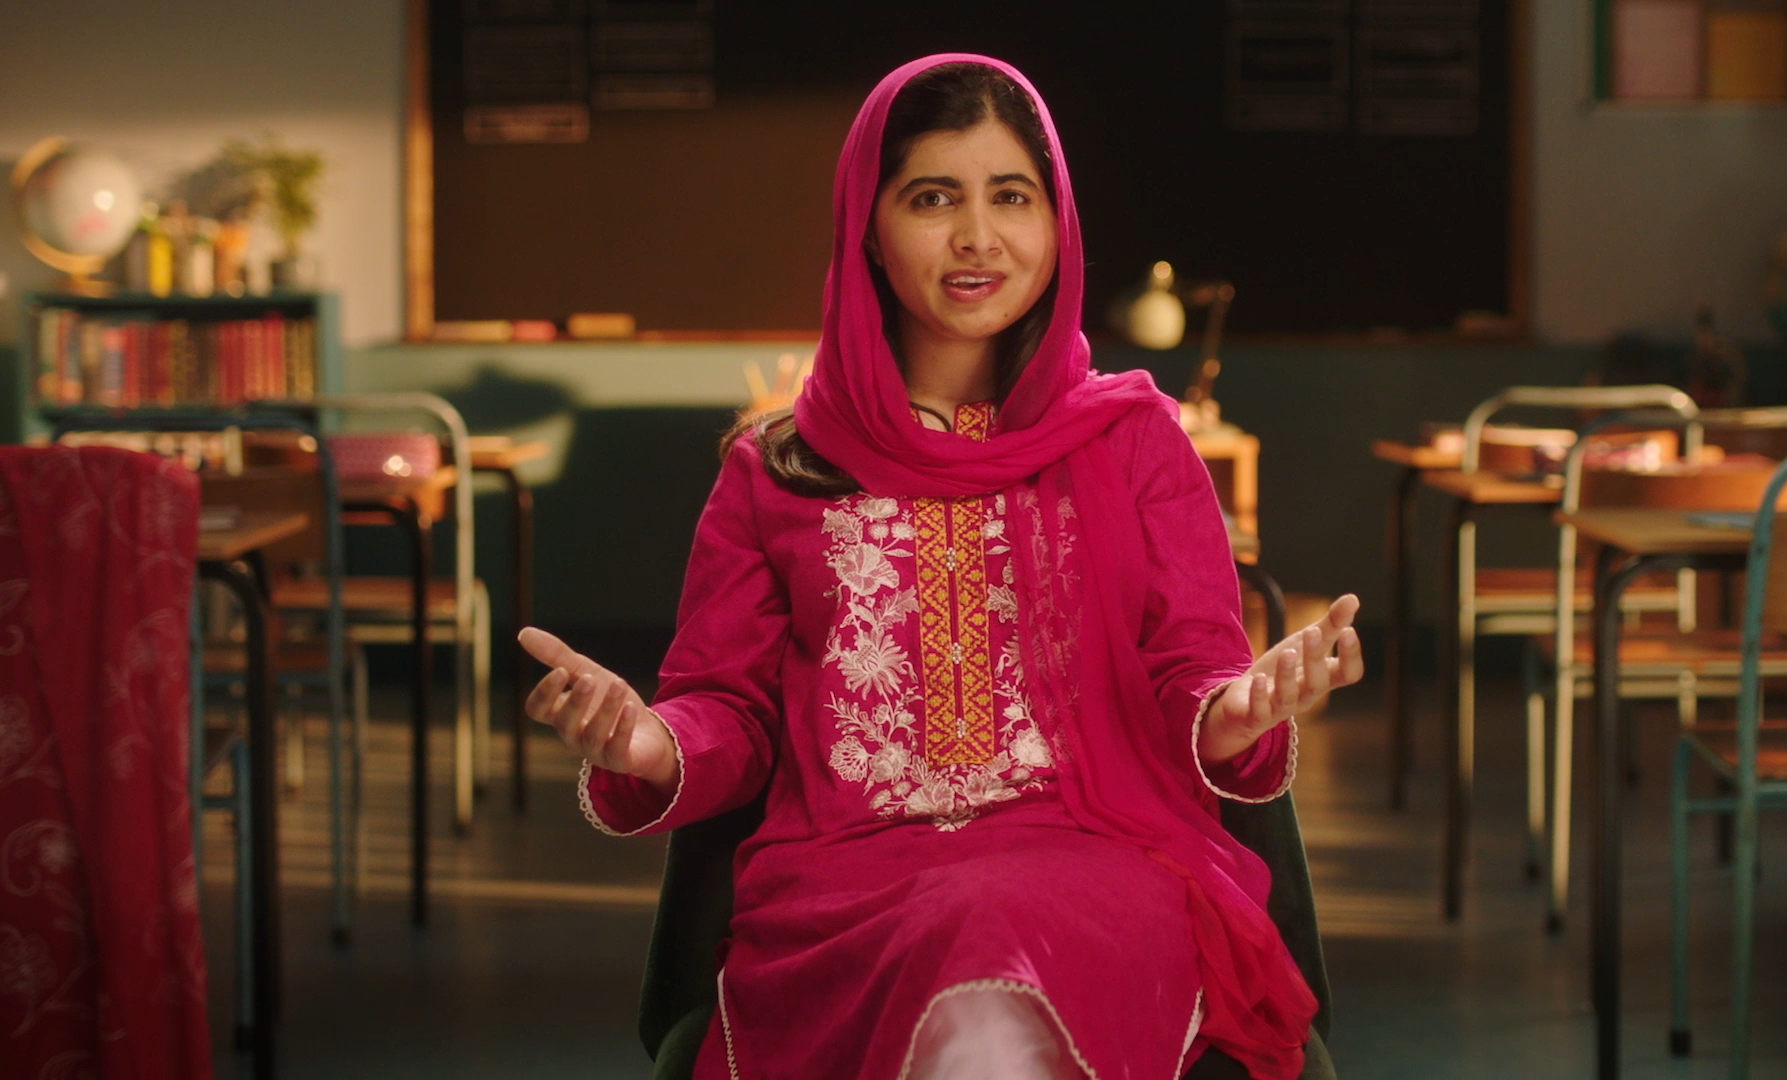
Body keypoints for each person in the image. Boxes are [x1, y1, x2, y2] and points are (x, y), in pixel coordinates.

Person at [518, 54, 1364, 1080]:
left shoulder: (1137, 441)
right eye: (932, 197)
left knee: (990, 933)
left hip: (1105, 864)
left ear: (1058, 228)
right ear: (866, 229)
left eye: (1012, 196)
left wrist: (1234, 711)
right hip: (850, 885)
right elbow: (729, 710)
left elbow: (1191, 669)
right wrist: (650, 743)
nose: (977, 236)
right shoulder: (777, 466)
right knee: (961, 930)